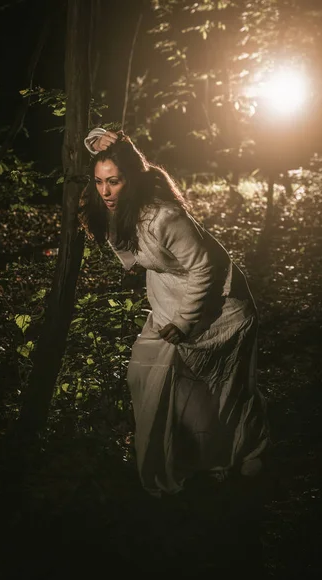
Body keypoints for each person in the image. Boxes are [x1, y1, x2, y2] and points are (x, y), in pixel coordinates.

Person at [80, 128, 269, 498]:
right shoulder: (119, 211)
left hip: (221, 306)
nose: (105, 192)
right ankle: (191, 453)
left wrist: (185, 322)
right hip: (169, 299)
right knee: (144, 374)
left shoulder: (165, 217)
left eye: (113, 182)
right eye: (99, 182)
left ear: (129, 180)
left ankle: (248, 450)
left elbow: (204, 268)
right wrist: (107, 228)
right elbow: (133, 260)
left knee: (227, 388)